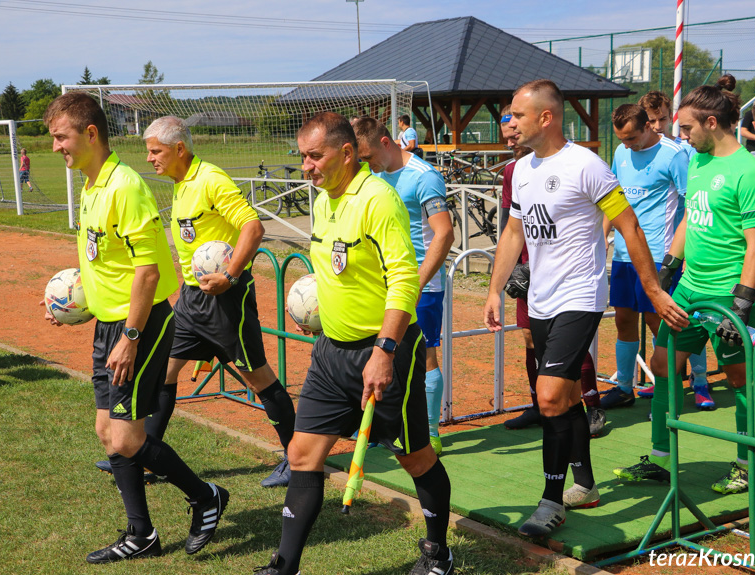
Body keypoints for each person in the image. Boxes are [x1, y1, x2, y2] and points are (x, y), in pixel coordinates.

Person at [484, 80, 685, 537]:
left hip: (580, 297)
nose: (510, 122)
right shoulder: (524, 169)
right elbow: (514, 232)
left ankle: (550, 501)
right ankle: (587, 486)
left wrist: (653, 290)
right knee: (567, 397)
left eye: (517, 113)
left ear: (546, 117)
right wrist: (495, 289)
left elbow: (629, 226)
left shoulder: (586, 166)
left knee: (550, 397)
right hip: (540, 300)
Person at [255, 112, 453, 575]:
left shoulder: (378, 199)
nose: (306, 166)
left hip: (384, 352)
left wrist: (384, 351)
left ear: (347, 153)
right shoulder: (323, 200)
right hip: (331, 353)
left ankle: (438, 553)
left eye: (315, 155)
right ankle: (285, 566)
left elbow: (404, 280)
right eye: (302, 156)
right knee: (302, 455)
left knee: (416, 457)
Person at [41, 92, 227, 563]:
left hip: (136, 327)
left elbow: (148, 270)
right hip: (108, 326)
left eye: (61, 137)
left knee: (125, 437)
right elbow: (107, 263)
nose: (56, 147)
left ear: (89, 133)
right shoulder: (91, 186)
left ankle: (205, 496)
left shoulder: (124, 186)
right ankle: (141, 534)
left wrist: (129, 337)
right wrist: (72, 306)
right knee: (108, 432)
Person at [614, 75, 755, 495]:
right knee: (664, 366)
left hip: (728, 294)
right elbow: (689, 216)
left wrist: (743, 303)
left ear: (713, 122)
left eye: (686, 128)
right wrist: (669, 267)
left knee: (740, 378)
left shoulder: (747, 171)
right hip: (689, 287)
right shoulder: (697, 160)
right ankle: (661, 460)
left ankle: (745, 463)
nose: (679, 135)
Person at [143, 116, 295, 487]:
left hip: (227, 301)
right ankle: (145, 454)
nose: (149, 159)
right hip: (192, 300)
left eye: (155, 151)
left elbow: (253, 227)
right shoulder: (181, 183)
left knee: (257, 377)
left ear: (179, 149)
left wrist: (229, 276)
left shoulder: (210, 179)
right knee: (163, 371)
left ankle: (297, 459)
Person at [496, 108, 605, 436]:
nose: (512, 143)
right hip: (530, 272)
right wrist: (512, 269)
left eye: (515, 135)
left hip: (571, 280)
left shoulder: (578, 163)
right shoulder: (514, 171)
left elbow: (612, 214)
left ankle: (592, 402)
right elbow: (510, 226)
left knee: (568, 344)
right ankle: (538, 405)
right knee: (531, 339)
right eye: (508, 141)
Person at [351, 116, 454, 456]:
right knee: (379, 351)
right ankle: (383, 425)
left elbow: (444, 233)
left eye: (366, 156)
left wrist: (417, 282)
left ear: (385, 142)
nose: (365, 164)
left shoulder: (424, 177)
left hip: (420, 285)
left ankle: (430, 431)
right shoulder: (374, 175)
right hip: (380, 283)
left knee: (425, 356)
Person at [601, 105, 699, 408]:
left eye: (631, 138)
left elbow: (691, 205)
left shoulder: (674, 154)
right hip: (623, 254)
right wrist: (601, 238)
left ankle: (668, 393)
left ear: (648, 127)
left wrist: (678, 255)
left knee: (662, 325)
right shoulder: (620, 152)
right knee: (623, 320)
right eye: (622, 139)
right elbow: (613, 200)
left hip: (659, 255)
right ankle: (624, 388)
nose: (627, 144)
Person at [636, 90, 710, 399]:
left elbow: (693, 203)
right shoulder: (644, 150)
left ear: (672, 116)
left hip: (684, 250)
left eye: (663, 119)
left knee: (689, 320)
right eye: (650, 120)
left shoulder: (684, 151)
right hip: (662, 251)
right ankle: (662, 378)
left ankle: (701, 382)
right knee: (665, 321)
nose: (656, 126)